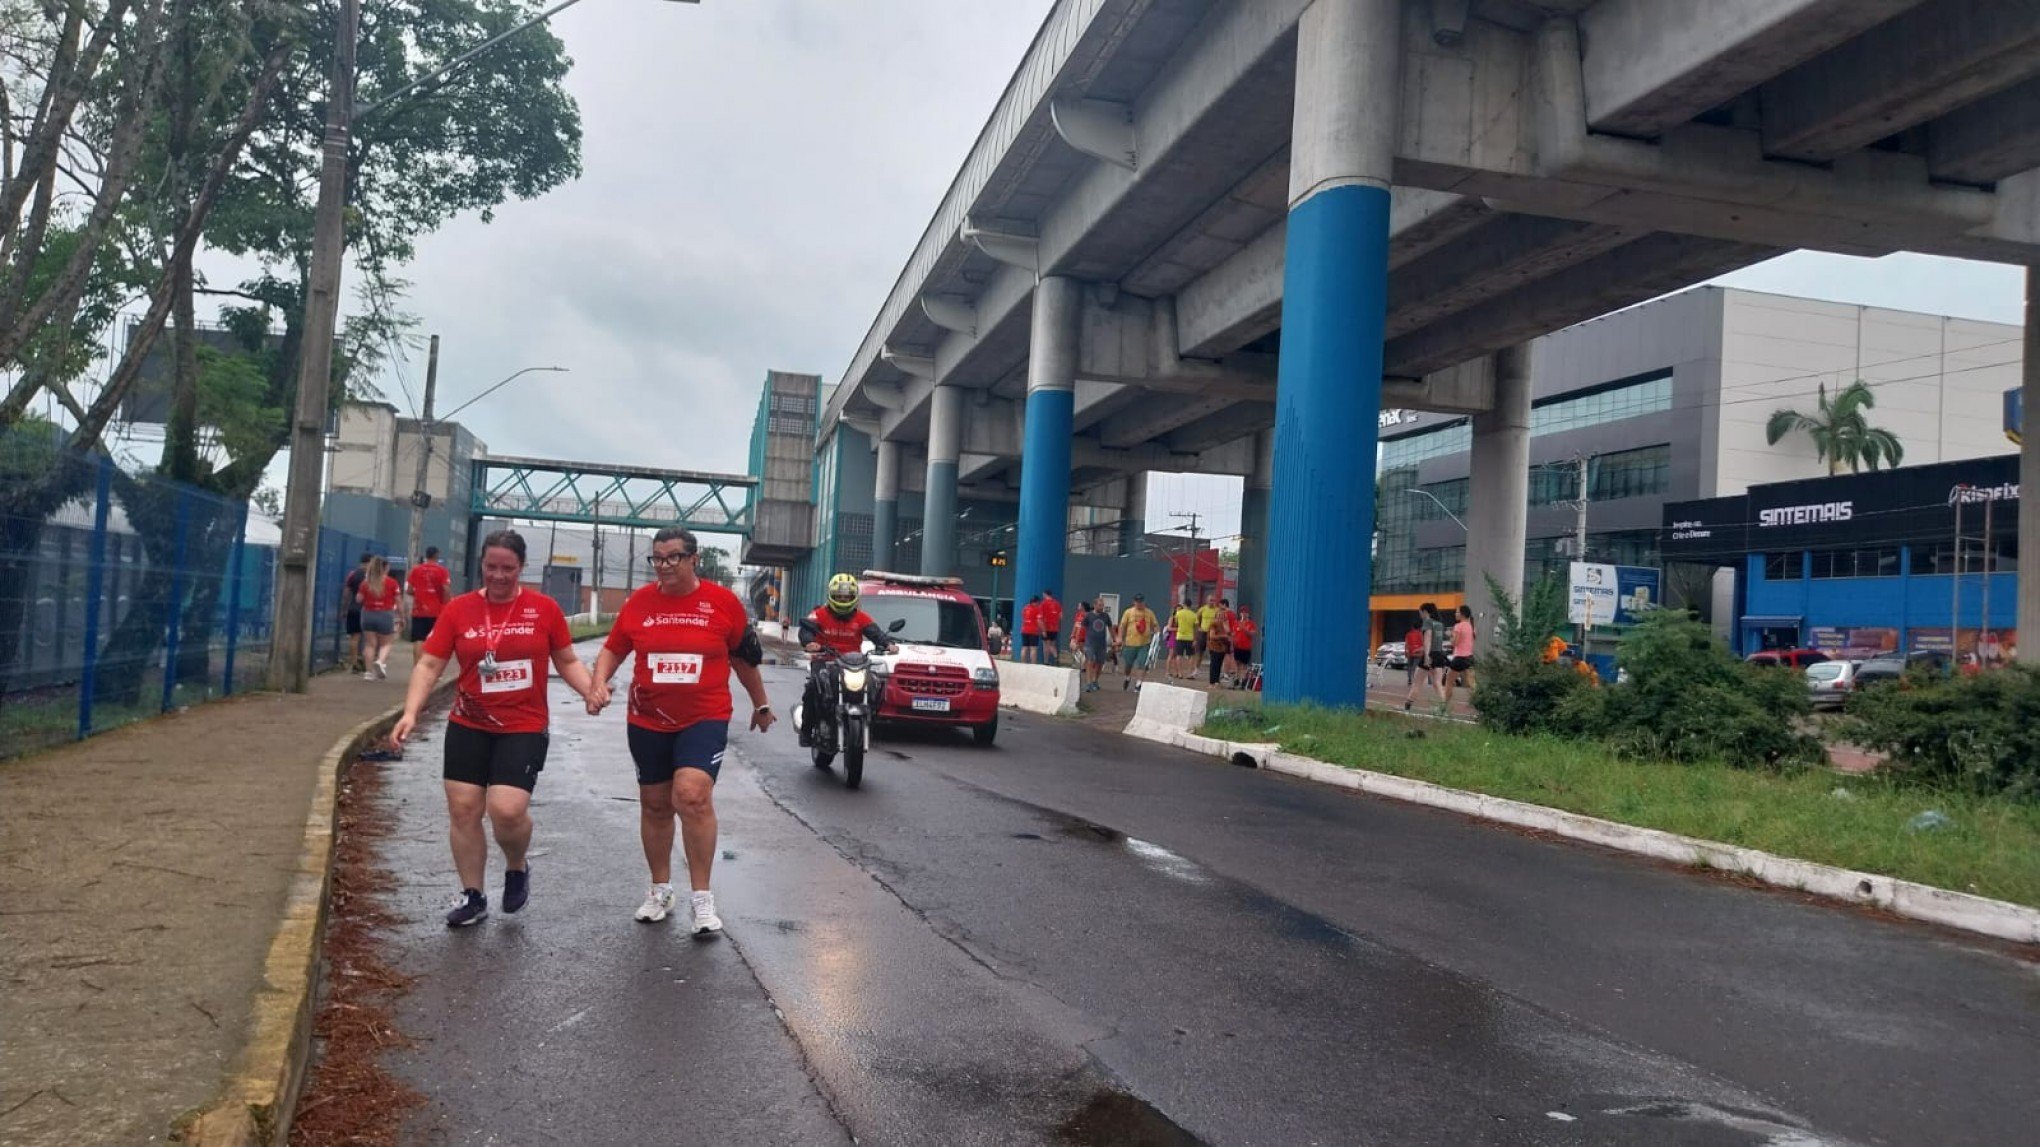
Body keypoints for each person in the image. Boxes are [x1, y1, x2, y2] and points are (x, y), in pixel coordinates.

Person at [390, 530, 600, 927]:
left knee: (506, 810)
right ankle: (473, 895)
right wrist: (410, 712)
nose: (499, 576)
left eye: (508, 568)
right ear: (481, 566)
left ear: (521, 568)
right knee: (464, 809)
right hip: (469, 722)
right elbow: (430, 665)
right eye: (491, 567)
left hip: (523, 724)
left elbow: (567, 660)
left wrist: (591, 691)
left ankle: (516, 865)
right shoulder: (459, 610)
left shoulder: (544, 609)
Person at [588, 526, 773, 936]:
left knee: (690, 795)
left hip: (703, 717)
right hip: (648, 719)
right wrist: (597, 682)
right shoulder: (639, 603)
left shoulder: (722, 603)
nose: (664, 565)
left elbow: (744, 659)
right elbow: (614, 649)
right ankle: (660, 891)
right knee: (655, 805)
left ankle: (702, 900)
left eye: (673, 557)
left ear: (694, 559)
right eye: (657, 558)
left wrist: (760, 703)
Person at [796, 573, 893, 748]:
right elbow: (806, 630)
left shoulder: (861, 617)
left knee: (876, 685)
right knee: (812, 688)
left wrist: (887, 644)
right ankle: (806, 730)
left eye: (846, 596)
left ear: (854, 597)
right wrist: (809, 642)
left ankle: (869, 720)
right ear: (831, 596)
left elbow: (875, 633)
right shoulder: (819, 614)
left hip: (854, 664)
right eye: (839, 596)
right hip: (825, 660)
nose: (843, 599)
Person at [356, 555, 399, 680]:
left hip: (368, 614)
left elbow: (359, 599)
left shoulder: (366, 582)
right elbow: (398, 600)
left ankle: (368, 673)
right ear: (385, 568)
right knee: (387, 643)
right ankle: (380, 661)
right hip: (385, 614)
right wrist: (401, 616)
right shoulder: (392, 582)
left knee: (370, 644)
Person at [406, 545, 452, 643]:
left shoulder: (416, 570)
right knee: (434, 640)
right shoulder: (442, 571)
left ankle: (418, 659)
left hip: (418, 610)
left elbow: (408, 590)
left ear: (426, 556)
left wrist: (419, 593)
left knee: (418, 640)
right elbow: (446, 589)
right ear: (437, 556)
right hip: (436, 611)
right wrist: (446, 603)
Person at [1117, 593, 1158, 690]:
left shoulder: (1149, 613)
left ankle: (1138, 684)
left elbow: (1155, 625)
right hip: (1130, 643)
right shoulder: (1128, 612)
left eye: (1141, 602)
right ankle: (1127, 677)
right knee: (1128, 664)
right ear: (1134, 602)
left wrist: (1157, 634)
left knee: (1142, 663)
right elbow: (1122, 626)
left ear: (1144, 602)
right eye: (1137, 602)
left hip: (1144, 644)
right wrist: (1119, 637)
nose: (1139, 604)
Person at [342, 552, 370, 671]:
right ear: (370, 562)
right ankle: (365, 661)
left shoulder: (352, 574)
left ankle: (353, 663)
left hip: (353, 608)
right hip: (368, 610)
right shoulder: (371, 576)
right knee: (369, 639)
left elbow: (346, 593)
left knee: (354, 637)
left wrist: (344, 608)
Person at [1447, 604, 1478, 704]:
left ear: (1462, 614)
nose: (1455, 614)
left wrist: (1450, 635)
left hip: (1459, 658)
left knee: (1449, 682)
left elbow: (1454, 643)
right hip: (1469, 657)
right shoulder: (1471, 626)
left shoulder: (1458, 626)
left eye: (1457, 612)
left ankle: (1443, 707)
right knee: (1473, 685)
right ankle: (1481, 705)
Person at [1081, 598, 1112, 692]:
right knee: (1090, 661)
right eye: (1099, 605)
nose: (1101, 607)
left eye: (1102, 606)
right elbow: (1082, 628)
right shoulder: (1089, 616)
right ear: (1095, 605)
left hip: (1101, 644)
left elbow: (1110, 628)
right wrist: (1078, 640)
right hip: (1090, 643)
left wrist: (1115, 639)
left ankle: (1095, 680)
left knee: (1100, 663)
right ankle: (1088, 683)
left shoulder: (1106, 616)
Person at [1204, 601, 1232, 686]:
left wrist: (1227, 629)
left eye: (1224, 615)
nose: (1223, 616)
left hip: (1222, 648)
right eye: (1221, 615)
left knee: (1219, 665)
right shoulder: (1214, 624)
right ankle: (1212, 682)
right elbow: (1212, 636)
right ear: (1217, 615)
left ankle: (1217, 681)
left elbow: (1229, 633)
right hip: (1214, 647)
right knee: (1214, 664)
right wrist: (1223, 636)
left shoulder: (1224, 624)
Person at [1169, 600, 1198, 679]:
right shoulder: (1194, 615)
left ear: (1184, 605)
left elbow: (1176, 623)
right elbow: (1195, 628)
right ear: (1190, 605)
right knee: (1191, 655)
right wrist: (1195, 639)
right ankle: (1189, 673)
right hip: (1190, 637)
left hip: (1180, 636)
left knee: (1179, 655)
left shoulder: (1178, 613)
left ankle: (1180, 673)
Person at [1231, 607, 1257, 684]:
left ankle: (1243, 680)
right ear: (1240, 614)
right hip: (1237, 646)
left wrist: (1244, 629)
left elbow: (1253, 634)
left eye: (1245, 613)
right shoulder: (1236, 623)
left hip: (1246, 647)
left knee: (1244, 664)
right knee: (1237, 663)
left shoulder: (1251, 624)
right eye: (1242, 612)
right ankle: (1237, 679)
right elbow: (1233, 634)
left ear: (1248, 614)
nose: (1244, 614)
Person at [1039, 590, 1063, 666]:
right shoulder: (1057, 603)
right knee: (1052, 644)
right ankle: (1049, 660)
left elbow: (1040, 617)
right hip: (1055, 628)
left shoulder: (1043, 604)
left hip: (1046, 627)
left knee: (1046, 645)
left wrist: (1043, 630)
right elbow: (1061, 616)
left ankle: (1051, 659)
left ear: (1045, 594)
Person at [1019, 595, 1042, 664]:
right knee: (1033, 648)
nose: (1039, 604)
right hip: (1033, 631)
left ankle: (1023, 663)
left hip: (1024, 630)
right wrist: (1042, 630)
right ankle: (1033, 664)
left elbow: (1023, 617)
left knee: (1024, 647)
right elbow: (1039, 621)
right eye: (1038, 602)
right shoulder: (1037, 609)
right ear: (1035, 602)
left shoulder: (1025, 608)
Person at [1070, 601, 1092, 673]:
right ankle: (1078, 664)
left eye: (1079, 605)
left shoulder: (1088, 615)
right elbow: (1075, 624)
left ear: (1083, 607)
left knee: (1084, 651)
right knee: (1073, 648)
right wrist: (1073, 634)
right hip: (1077, 635)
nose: (1078, 606)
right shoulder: (1078, 614)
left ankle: (1084, 666)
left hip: (1084, 635)